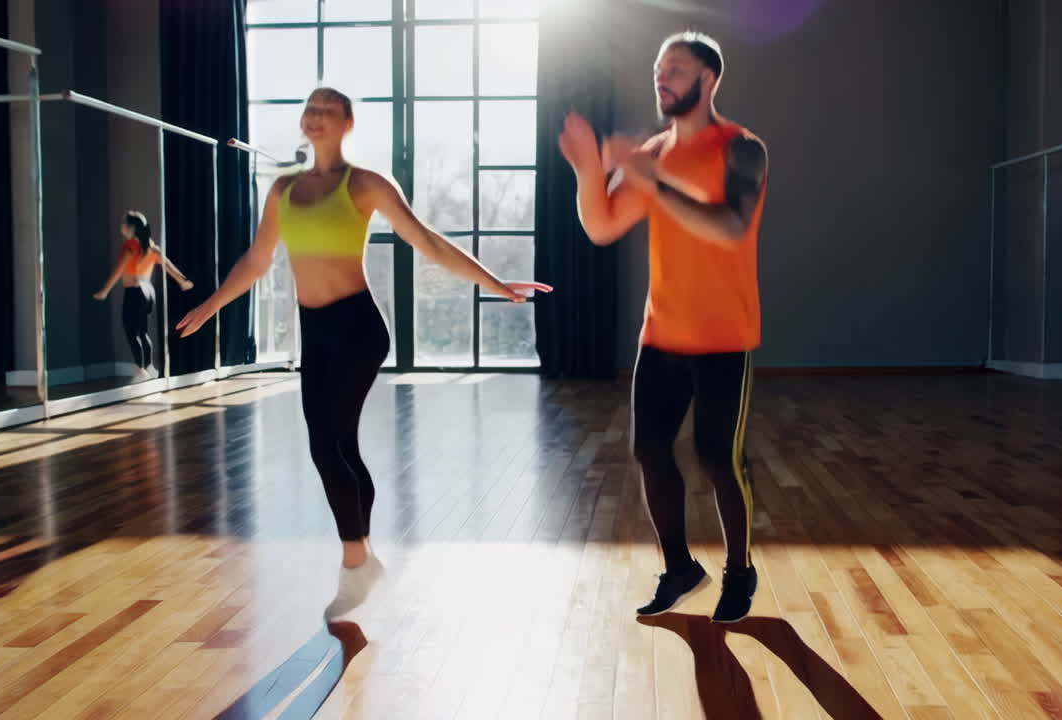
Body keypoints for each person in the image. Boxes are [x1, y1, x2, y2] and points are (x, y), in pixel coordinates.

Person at [177, 87, 551, 619]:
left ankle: (355, 564)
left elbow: (430, 243)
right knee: (338, 447)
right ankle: (365, 555)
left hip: (357, 328)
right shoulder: (282, 189)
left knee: (326, 447)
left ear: (348, 123)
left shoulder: (366, 184)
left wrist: (494, 283)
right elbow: (257, 261)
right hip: (316, 332)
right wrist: (212, 306)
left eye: (326, 110)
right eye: (308, 109)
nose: (314, 117)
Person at [558, 31, 768, 623]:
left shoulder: (742, 148)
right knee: (650, 451)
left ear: (708, 79)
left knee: (718, 457)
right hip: (661, 334)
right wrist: (585, 171)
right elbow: (601, 226)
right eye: (657, 68)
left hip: (726, 335)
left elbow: (730, 226)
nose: (661, 77)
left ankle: (740, 571)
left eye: (674, 68)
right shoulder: (650, 154)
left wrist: (652, 183)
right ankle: (679, 567)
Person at [93, 211, 194, 380]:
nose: (121, 227)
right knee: (143, 332)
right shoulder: (151, 247)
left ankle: (141, 370)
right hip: (148, 292)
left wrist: (105, 290)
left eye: (123, 224)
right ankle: (149, 367)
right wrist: (182, 280)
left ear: (131, 228)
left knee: (131, 331)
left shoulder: (130, 247)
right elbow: (167, 265)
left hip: (135, 291)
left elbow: (118, 271)